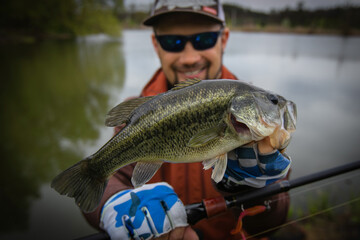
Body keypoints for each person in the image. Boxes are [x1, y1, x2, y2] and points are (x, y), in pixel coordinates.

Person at [84, 1, 292, 239]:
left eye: (204, 39)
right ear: (156, 44)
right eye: (173, 42)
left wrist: (256, 188)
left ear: (223, 39)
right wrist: (111, 204)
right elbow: (106, 186)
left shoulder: (259, 124)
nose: (190, 58)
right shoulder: (137, 115)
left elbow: (274, 221)